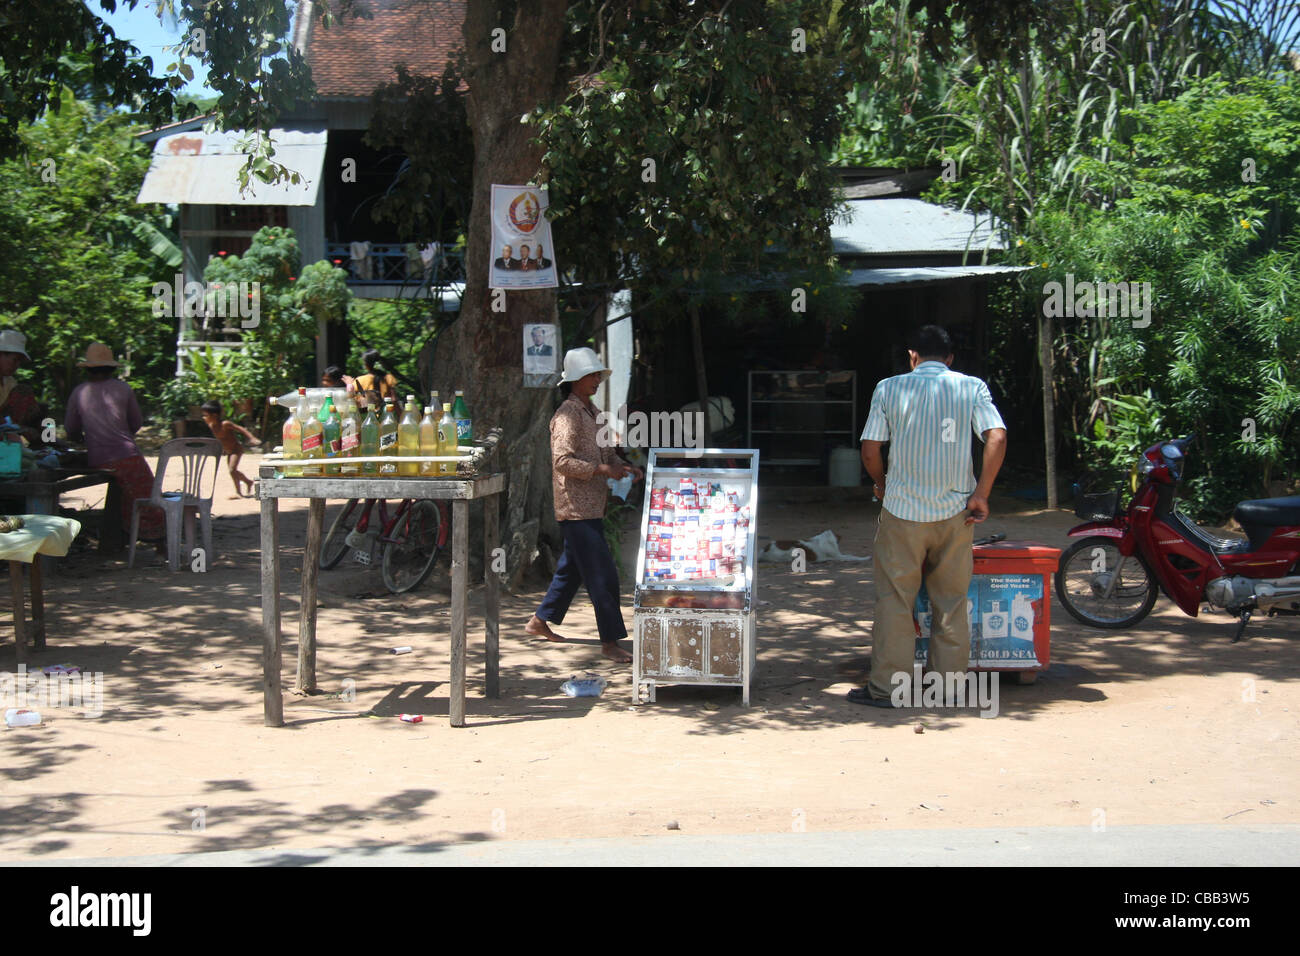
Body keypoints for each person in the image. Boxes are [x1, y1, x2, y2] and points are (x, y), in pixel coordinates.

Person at [849, 325, 1007, 708]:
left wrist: (881, 484)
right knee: (951, 602)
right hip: (956, 513)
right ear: (950, 358)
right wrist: (981, 495)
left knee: (894, 601)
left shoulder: (889, 388)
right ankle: (949, 689)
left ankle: (889, 690)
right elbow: (997, 437)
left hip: (902, 511)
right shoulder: (972, 388)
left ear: (912, 355)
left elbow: (871, 447)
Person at [526, 347, 643, 663]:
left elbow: (608, 454)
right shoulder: (566, 415)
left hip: (593, 505)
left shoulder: (593, 413)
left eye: (597, 375)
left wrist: (622, 465)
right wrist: (603, 470)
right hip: (575, 509)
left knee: (572, 569)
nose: (597, 380)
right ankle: (610, 642)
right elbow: (562, 461)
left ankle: (539, 621)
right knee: (603, 575)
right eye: (592, 375)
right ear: (576, 379)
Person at [64, 343, 165, 542]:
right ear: (111, 368)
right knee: (149, 498)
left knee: (129, 496)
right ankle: (159, 542)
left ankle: (124, 538)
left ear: (88, 368)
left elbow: (71, 429)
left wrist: (87, 440)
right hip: (128, 455)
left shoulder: (79, 392)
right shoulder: (123, 389)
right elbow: (136, 423)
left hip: (98, 458)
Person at [200, 400, 262, 498]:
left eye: (206, 415)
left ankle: (241, 489)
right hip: (228, 451)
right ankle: (246, 483)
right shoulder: (211, 426)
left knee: (232, 470)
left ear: (214, 415)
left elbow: (241, 429)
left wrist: (252, 438)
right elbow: (220, 439)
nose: (204, 418)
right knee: (233, 471)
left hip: (236, 450)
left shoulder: (225, 424)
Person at [0, 329, 44, 442]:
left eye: (19, 361)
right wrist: (21, 429)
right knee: (23, 391)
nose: (16, 365)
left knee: (28, 395)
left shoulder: (10, 382)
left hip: (7, 428)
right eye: (14, 360)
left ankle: (46, 439)